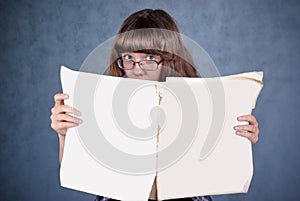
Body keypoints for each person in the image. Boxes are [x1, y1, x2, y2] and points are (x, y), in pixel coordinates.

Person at [50, 9, 260, 201]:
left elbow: (219, 166)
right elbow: (81, 169)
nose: (137, 69)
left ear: (170, 60)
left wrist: (239, 140)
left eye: (150, 57)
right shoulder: (104, 101)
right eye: (129, 57)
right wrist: (64, 135)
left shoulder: (199, 102)